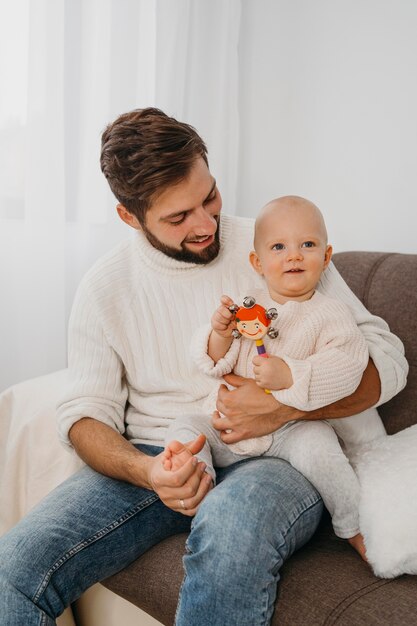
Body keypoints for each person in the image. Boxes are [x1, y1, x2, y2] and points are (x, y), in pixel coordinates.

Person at [0, 108, 408, 626]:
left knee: (229, 534)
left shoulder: (275, 245)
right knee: (12, 569)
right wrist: (147, 471)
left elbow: (387, 361)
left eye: (209, 197)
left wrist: (283, 409)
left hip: (277, 458)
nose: (206, 224)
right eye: (178, 217)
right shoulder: (104, 289)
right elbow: (84, 416)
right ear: (129, 216)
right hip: (163, 449)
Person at [165, 196, 387, 560]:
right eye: (279, 247)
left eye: (308, 245)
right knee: (186, 425)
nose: (294, 256)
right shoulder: (246, 306)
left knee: (323, 450)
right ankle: (194, 478)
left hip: (292, 431)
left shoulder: (332, 314)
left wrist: (290, 375)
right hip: (227, 428)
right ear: (258, 262)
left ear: (326, 257)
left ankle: (353, 526)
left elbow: (348, 366)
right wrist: (220, 334)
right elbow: (214, 362)